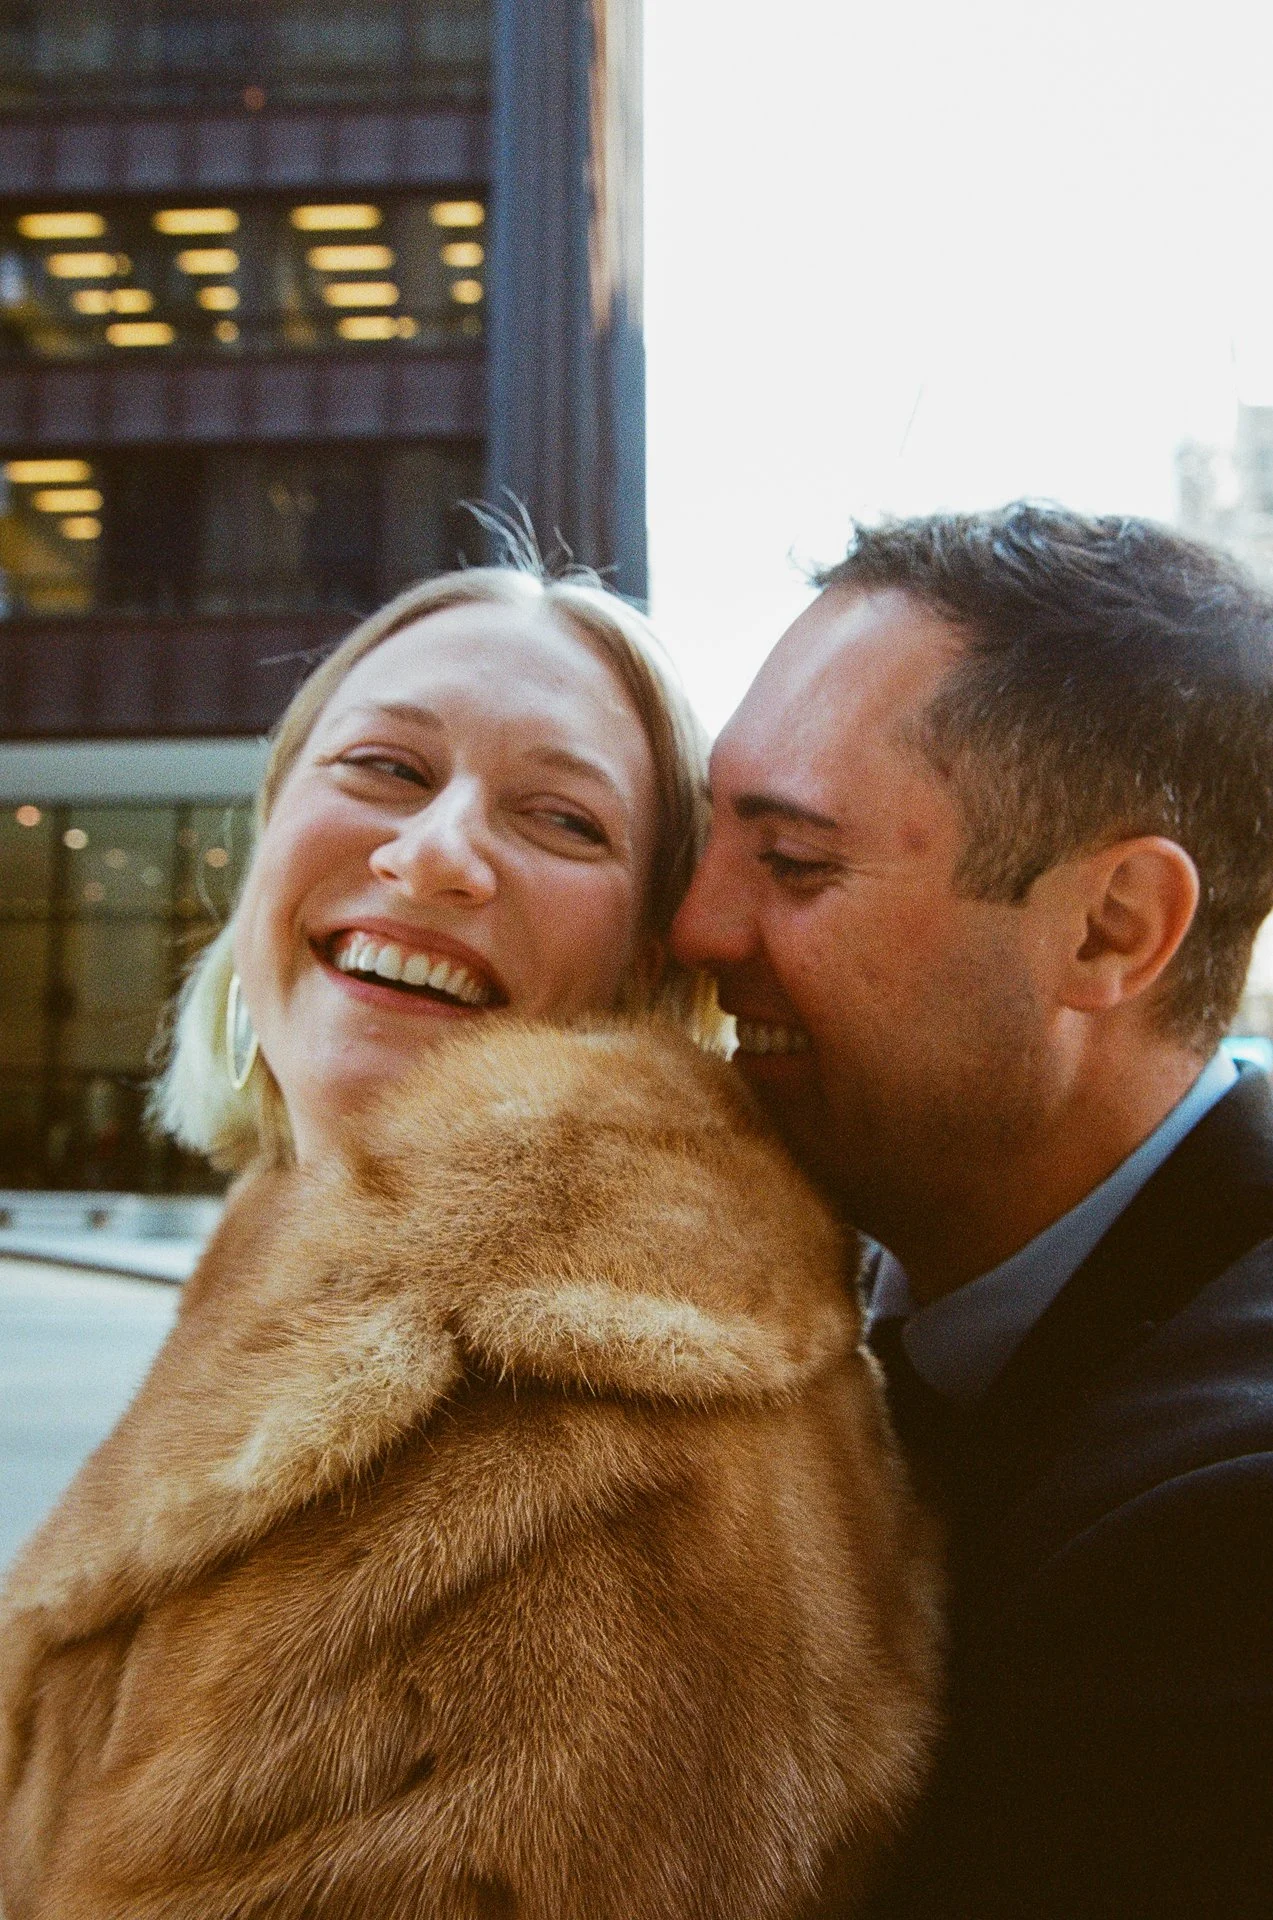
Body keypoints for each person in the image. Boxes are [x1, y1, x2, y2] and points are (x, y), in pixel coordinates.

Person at [0, 559, 941, 1920]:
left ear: (649, 957)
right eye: (384, 768)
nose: (435, 852)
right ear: (271, 834)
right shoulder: (305, 1253)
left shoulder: (619, 1450)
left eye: (561, 819)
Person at [671, 504, 1273, 1920]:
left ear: (1113, 928)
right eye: (706, 838)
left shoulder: (1225, 1541)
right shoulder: (810, 1272)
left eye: (795, 863)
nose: (695, 927)